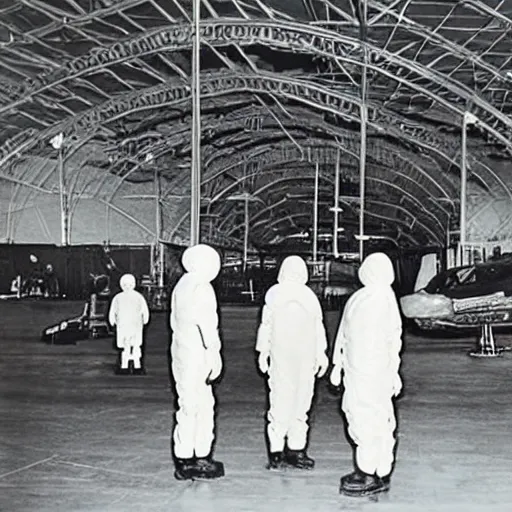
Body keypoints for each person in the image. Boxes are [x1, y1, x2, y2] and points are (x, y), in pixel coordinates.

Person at [330, 252, 403, 497]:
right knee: (371, 416)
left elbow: (393, 340)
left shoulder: (377, 298)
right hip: (362, 369)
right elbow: (345, 332)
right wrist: (338, 364)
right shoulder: (369, 298)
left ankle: (369, 471)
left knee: (368, 417)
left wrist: (393, 372)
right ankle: (378, 469)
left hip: (370, 371)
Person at [256, 255, 329, 470]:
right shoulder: (304, 296)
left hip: (289, 358)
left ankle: (281, 450)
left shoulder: (278, 295)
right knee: (297, 403)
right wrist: (321, 354)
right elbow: (318, 328)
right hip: (294, 358)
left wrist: (263, 352)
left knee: (285, 401)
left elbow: (266, 327)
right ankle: (290, 450)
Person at [169, 244, 225, 481]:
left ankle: (185, 456)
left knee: (187, 405)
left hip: (181, 352)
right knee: (202, 406)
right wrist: (214, 352)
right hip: (198, 354)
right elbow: (207, 324)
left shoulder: (181, 286)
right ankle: (199, 456)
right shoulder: (202, 287)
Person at [108, 274, 150, 375]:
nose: (127, 286)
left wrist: (112, 321)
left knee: (132, 347)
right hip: (129, 326)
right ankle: (130, 366)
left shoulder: (120, 297)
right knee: (129, 347)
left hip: (129, 326)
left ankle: (131, 366)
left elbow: (144, 310)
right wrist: (145, 320)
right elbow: (113, 311)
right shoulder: (133, 297)